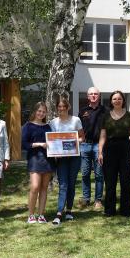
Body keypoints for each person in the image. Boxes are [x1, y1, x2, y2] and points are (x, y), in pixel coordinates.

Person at [97, 91, 130, 217]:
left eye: (119, 98)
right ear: (111, 101)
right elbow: (103, 136)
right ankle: (110, 210)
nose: (117, 100)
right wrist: (100, 152)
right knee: (110, 181)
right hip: (109, 149)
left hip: (126, 148)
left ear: (123, 100)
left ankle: (125, 210)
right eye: (114, 99)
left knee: (126, 181)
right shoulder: (105, 116)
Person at [50, 97, 84, 225]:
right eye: (59, 106)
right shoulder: (53, 122)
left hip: (74, 157)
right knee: (63, 185)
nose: (61, 109)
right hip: (61, 159)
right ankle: (59, 212)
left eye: (64, 106)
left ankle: (69, 211)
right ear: (57, 108)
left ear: (68, 107)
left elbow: (82, 137)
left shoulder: (76, 120)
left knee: (71, 184)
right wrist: (55, 152)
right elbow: (52, 140)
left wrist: (73, 142)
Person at [22, 102, 55, 224]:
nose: (41, 113)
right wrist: (39, 144)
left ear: (46, 113)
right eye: (39, 111)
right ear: (35, 111)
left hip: (48, 160)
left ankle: (41, 215)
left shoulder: (48, 127)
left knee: (44, 188)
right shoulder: (28, 126)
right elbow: (24, 144)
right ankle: (31, 215)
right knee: (35, 187)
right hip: (34, 159)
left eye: (43, 111)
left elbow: (54, 142)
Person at [78, 87, 106, 210]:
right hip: (85, 145)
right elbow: (79, 130)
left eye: (95, 94)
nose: (93, 96)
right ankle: (86, 198)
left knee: (99, 174)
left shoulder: (105, 111)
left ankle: (98, 200)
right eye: (91, 94)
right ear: (87, 96)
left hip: (99, 146)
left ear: (99, 96)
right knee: (84, 173)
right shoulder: (82, 111)